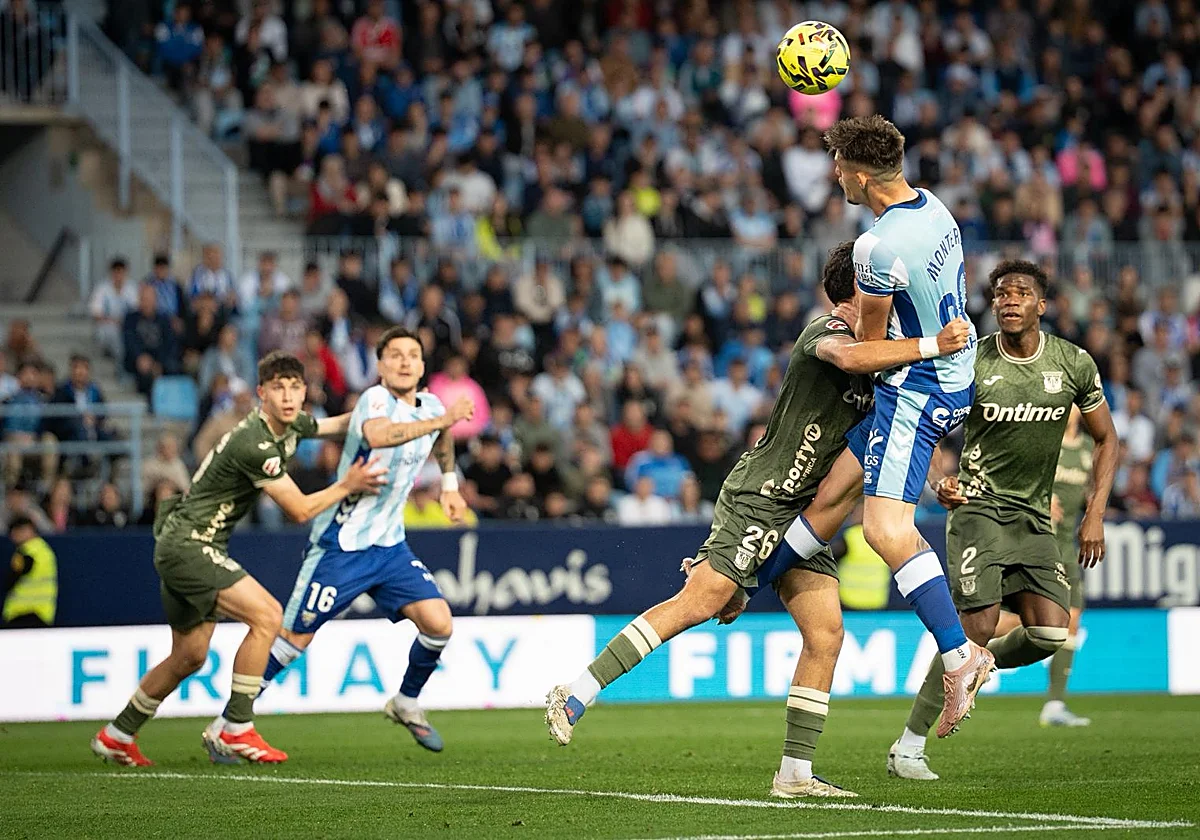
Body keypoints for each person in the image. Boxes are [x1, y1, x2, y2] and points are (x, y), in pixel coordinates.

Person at [546, 242, 972, 798]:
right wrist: (933, 345)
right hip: (761, 497)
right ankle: (576, 692)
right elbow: (849, 360)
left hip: (808, 513)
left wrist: (936, 478)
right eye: (883, 290)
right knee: (701, 601)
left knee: (826, 633)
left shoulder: (885, 356)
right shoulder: (826, 333)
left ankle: (794, 774)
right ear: (859, 292)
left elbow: (897, 435)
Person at [773, 115, 992, 739]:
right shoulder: (936, 209)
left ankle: (960, 655)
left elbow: (871, 351)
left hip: (916, 390)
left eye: (839, 167)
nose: (835, 175)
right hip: (957, 376)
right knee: (829, 498)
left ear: (861, 176)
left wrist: (879, 343)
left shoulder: (875, 247)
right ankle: (747, 581)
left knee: (884, 530)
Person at [90, 352, 387, 768]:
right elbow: (299, 509)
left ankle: (118, 734)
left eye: (295, 387)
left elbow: (335, 424)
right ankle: (236, 727)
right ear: (261, 393)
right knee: (268, 616)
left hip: (184, 542)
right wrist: (347, 484)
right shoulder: (254, 443)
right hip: (191, 545)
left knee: (189, 656)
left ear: (305, 392)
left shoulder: (291, 423)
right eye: (278, 388)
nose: (288, 396)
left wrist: (385, 406)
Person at [888, 260, 1117, 780]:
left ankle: (974, 665)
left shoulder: (1073, 363)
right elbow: (927, 425)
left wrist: (1095, 513)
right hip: (978, 509)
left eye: (1021, 292)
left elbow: (1108, 438)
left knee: (1051, 633)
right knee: (978, 626)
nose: (1010, 300)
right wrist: (939, 479)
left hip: (1034, 517)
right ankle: (909, 746)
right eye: (1001, 293)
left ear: (1042, 304)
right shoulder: (970, 361)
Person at [245, 328, 475, 753]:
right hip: (341, 544)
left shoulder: (431, 406)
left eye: (412, 355)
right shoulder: (374, 400)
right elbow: (380, 435)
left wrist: (449, 484)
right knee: (293, 640)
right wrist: (444, 420)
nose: (404, 362)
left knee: (439, 624)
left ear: (422, 366)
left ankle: (405, 702)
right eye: (395, 355)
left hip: (389, 546)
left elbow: (441, 438)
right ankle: (231, 720)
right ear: (381, 365)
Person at [2, 516, 57, 628]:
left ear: (28, 530)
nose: (13, 536)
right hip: (42, 612)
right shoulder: (44, 550)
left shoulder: (27, 552)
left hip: (24, 613)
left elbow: (12, 579)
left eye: (16, 531)